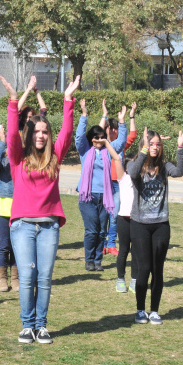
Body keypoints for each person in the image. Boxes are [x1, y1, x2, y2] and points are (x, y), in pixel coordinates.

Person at [1, 74, 80, 344]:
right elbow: (11, 134)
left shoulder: (55, 158)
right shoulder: (17, 157)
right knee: (27, 276)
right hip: (22, 225)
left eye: (45, 131)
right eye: (36, 131)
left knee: (44, 277)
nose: (41, 135)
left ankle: (41, 326)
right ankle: (27, 325)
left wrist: (68, 99)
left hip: (49, 225)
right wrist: (13, 101)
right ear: (30, 134)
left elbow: (67, 132)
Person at [129, 125, 183, 325]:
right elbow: (134, 173)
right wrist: (144, 150)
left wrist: (180, 148)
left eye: (157, 144)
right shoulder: (134, 163)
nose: (155, 147)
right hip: (139, 225)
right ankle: (140, 310)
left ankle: (154, 311)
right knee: (144, 268)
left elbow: (179, 171)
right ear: (144, 145)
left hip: (161, 224)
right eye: (151, 144)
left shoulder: (164, 166)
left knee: (157, 268)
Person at [75, 99, 126, 271]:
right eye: (95, 137)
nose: (98, 139)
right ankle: (89, 260)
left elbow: (121, 143)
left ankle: (97, 261)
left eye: (101, 137)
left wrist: (122, 121)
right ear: (91, 139)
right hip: (88, 197)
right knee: (92, 230)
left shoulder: (107, 152)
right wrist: (84, 115)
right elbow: (79, 137)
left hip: (105, 197)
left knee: (102, 232)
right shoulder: (85, 151)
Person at [103, 101, 138, 256]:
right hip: (104, 184)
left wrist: (131, 116)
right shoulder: (101, 145)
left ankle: (111, 244)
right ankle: (102, 243)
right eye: (111, 128)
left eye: (116, 128)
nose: (114, 131)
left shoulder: (121, 145)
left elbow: (133, 135)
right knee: (103, 215)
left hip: (117, 184)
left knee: (115, 214)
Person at [0, 124, 17, 293]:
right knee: (4, 245)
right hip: (1, 206)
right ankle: (2, 279)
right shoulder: (2, 157)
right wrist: (2, 144)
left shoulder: (21, 156)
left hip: (19, 206)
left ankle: (15, 278)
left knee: (16, 246)